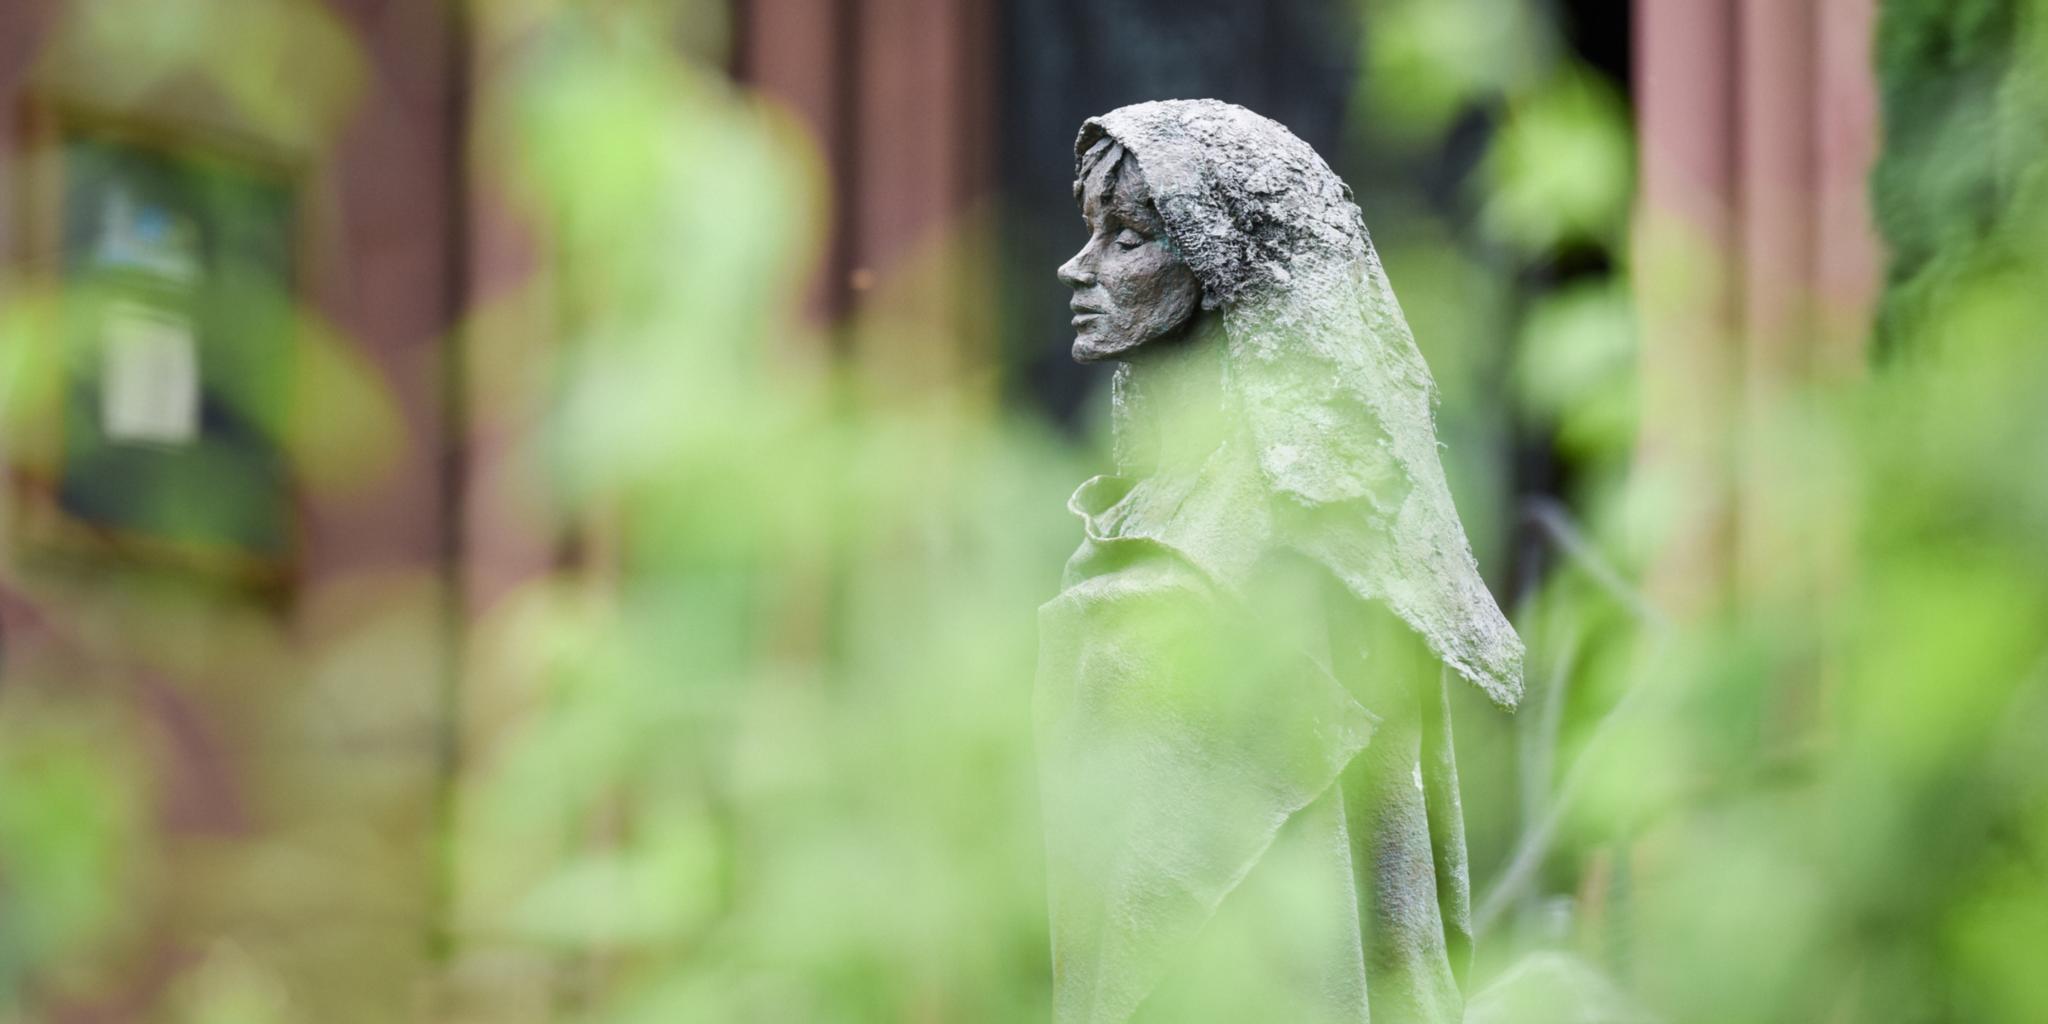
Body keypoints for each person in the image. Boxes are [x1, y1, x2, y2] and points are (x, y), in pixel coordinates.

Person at [1036, 99, 1523, 1024]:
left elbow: (1333, 865)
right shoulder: (1158, 509)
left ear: (1223, 268)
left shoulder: (1304, 542)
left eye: (1128, 237)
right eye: (1089, 230)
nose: (1079, 266)